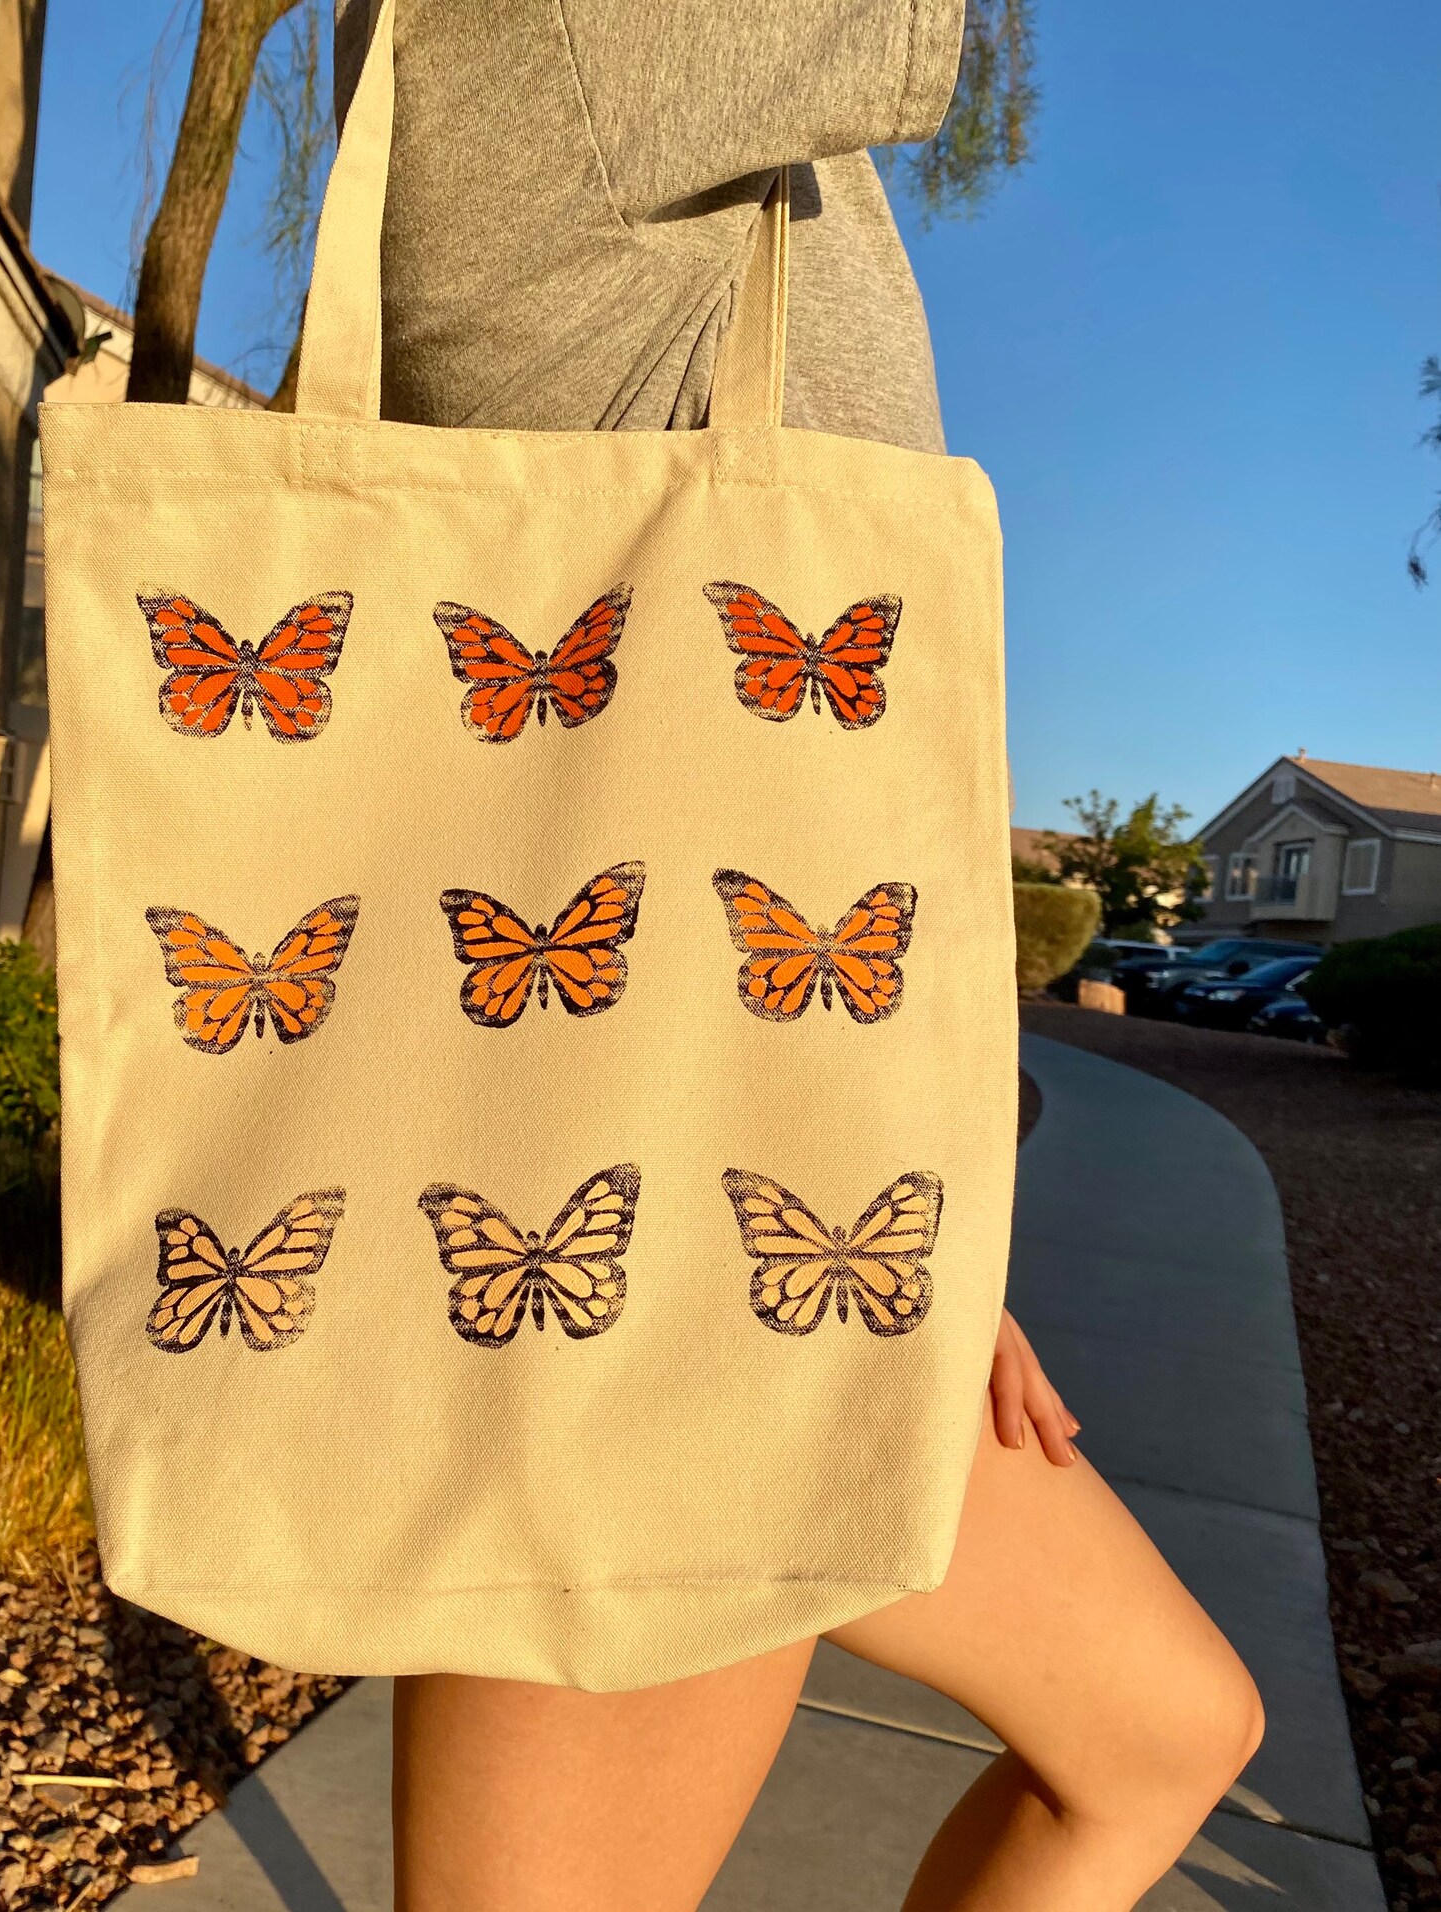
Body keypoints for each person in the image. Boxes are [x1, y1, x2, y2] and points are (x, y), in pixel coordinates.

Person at [332, 6, 1265, 1907]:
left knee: (1165, 1736)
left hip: (769, 1208)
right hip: (643, 1274)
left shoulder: (731, 149)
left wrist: (890, 1222)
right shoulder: (582, 47)